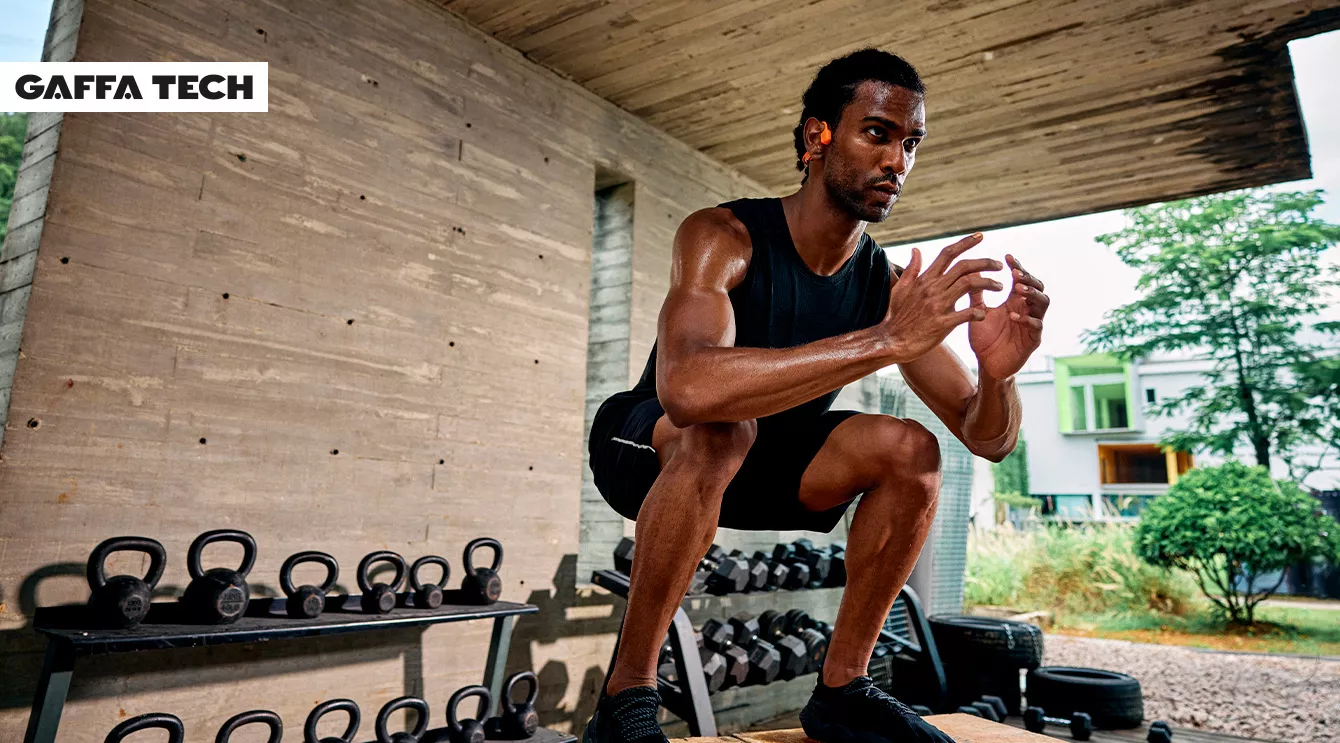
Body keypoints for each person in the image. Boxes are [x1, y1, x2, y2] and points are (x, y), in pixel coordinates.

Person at [583, 48, 1049, 743]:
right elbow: (685, 388)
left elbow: (988, 436)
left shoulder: (882, 283)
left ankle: (842, 688)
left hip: (766, 460)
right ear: (816, 138)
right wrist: (884, 342)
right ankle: (627, 695)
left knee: (912, 449)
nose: (898, 160)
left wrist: (999, 374)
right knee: (721, 427)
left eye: (910, 142)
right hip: (648, 447)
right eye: (878, 132)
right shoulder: (725, 235)